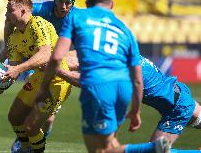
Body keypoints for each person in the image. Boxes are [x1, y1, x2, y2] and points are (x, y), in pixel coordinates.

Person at [35, 0, 170, 153]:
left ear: (85, 4)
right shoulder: (125, 30)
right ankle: (152, 149)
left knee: (99, 150)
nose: (64, 6)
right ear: (112, 4)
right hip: (123, 89)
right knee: (109, 143)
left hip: (99, 87)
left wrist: (45, 85)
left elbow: (57, 57)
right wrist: (136, 111)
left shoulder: (77, 17)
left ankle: (150, 149)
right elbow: (137, 79)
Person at [56, 55, 201, 152]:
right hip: (178, 90)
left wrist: (59, 72)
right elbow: (82, 64)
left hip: (176, 108)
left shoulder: (122, 68)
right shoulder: (125, 55)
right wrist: (55, 62)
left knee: (156, 150)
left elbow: (89, 82)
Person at [0, 0, 72, 153]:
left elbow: (45, 55)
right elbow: (13, 69)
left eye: (10, 10)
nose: (6, 15)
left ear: (23, 11)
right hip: (39, 77)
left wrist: (18, 69)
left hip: (57, 81)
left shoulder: (38, 24)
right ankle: (25, 148)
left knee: (32, 127)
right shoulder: (13, 39)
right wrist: (0, 85)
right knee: (14, 116)